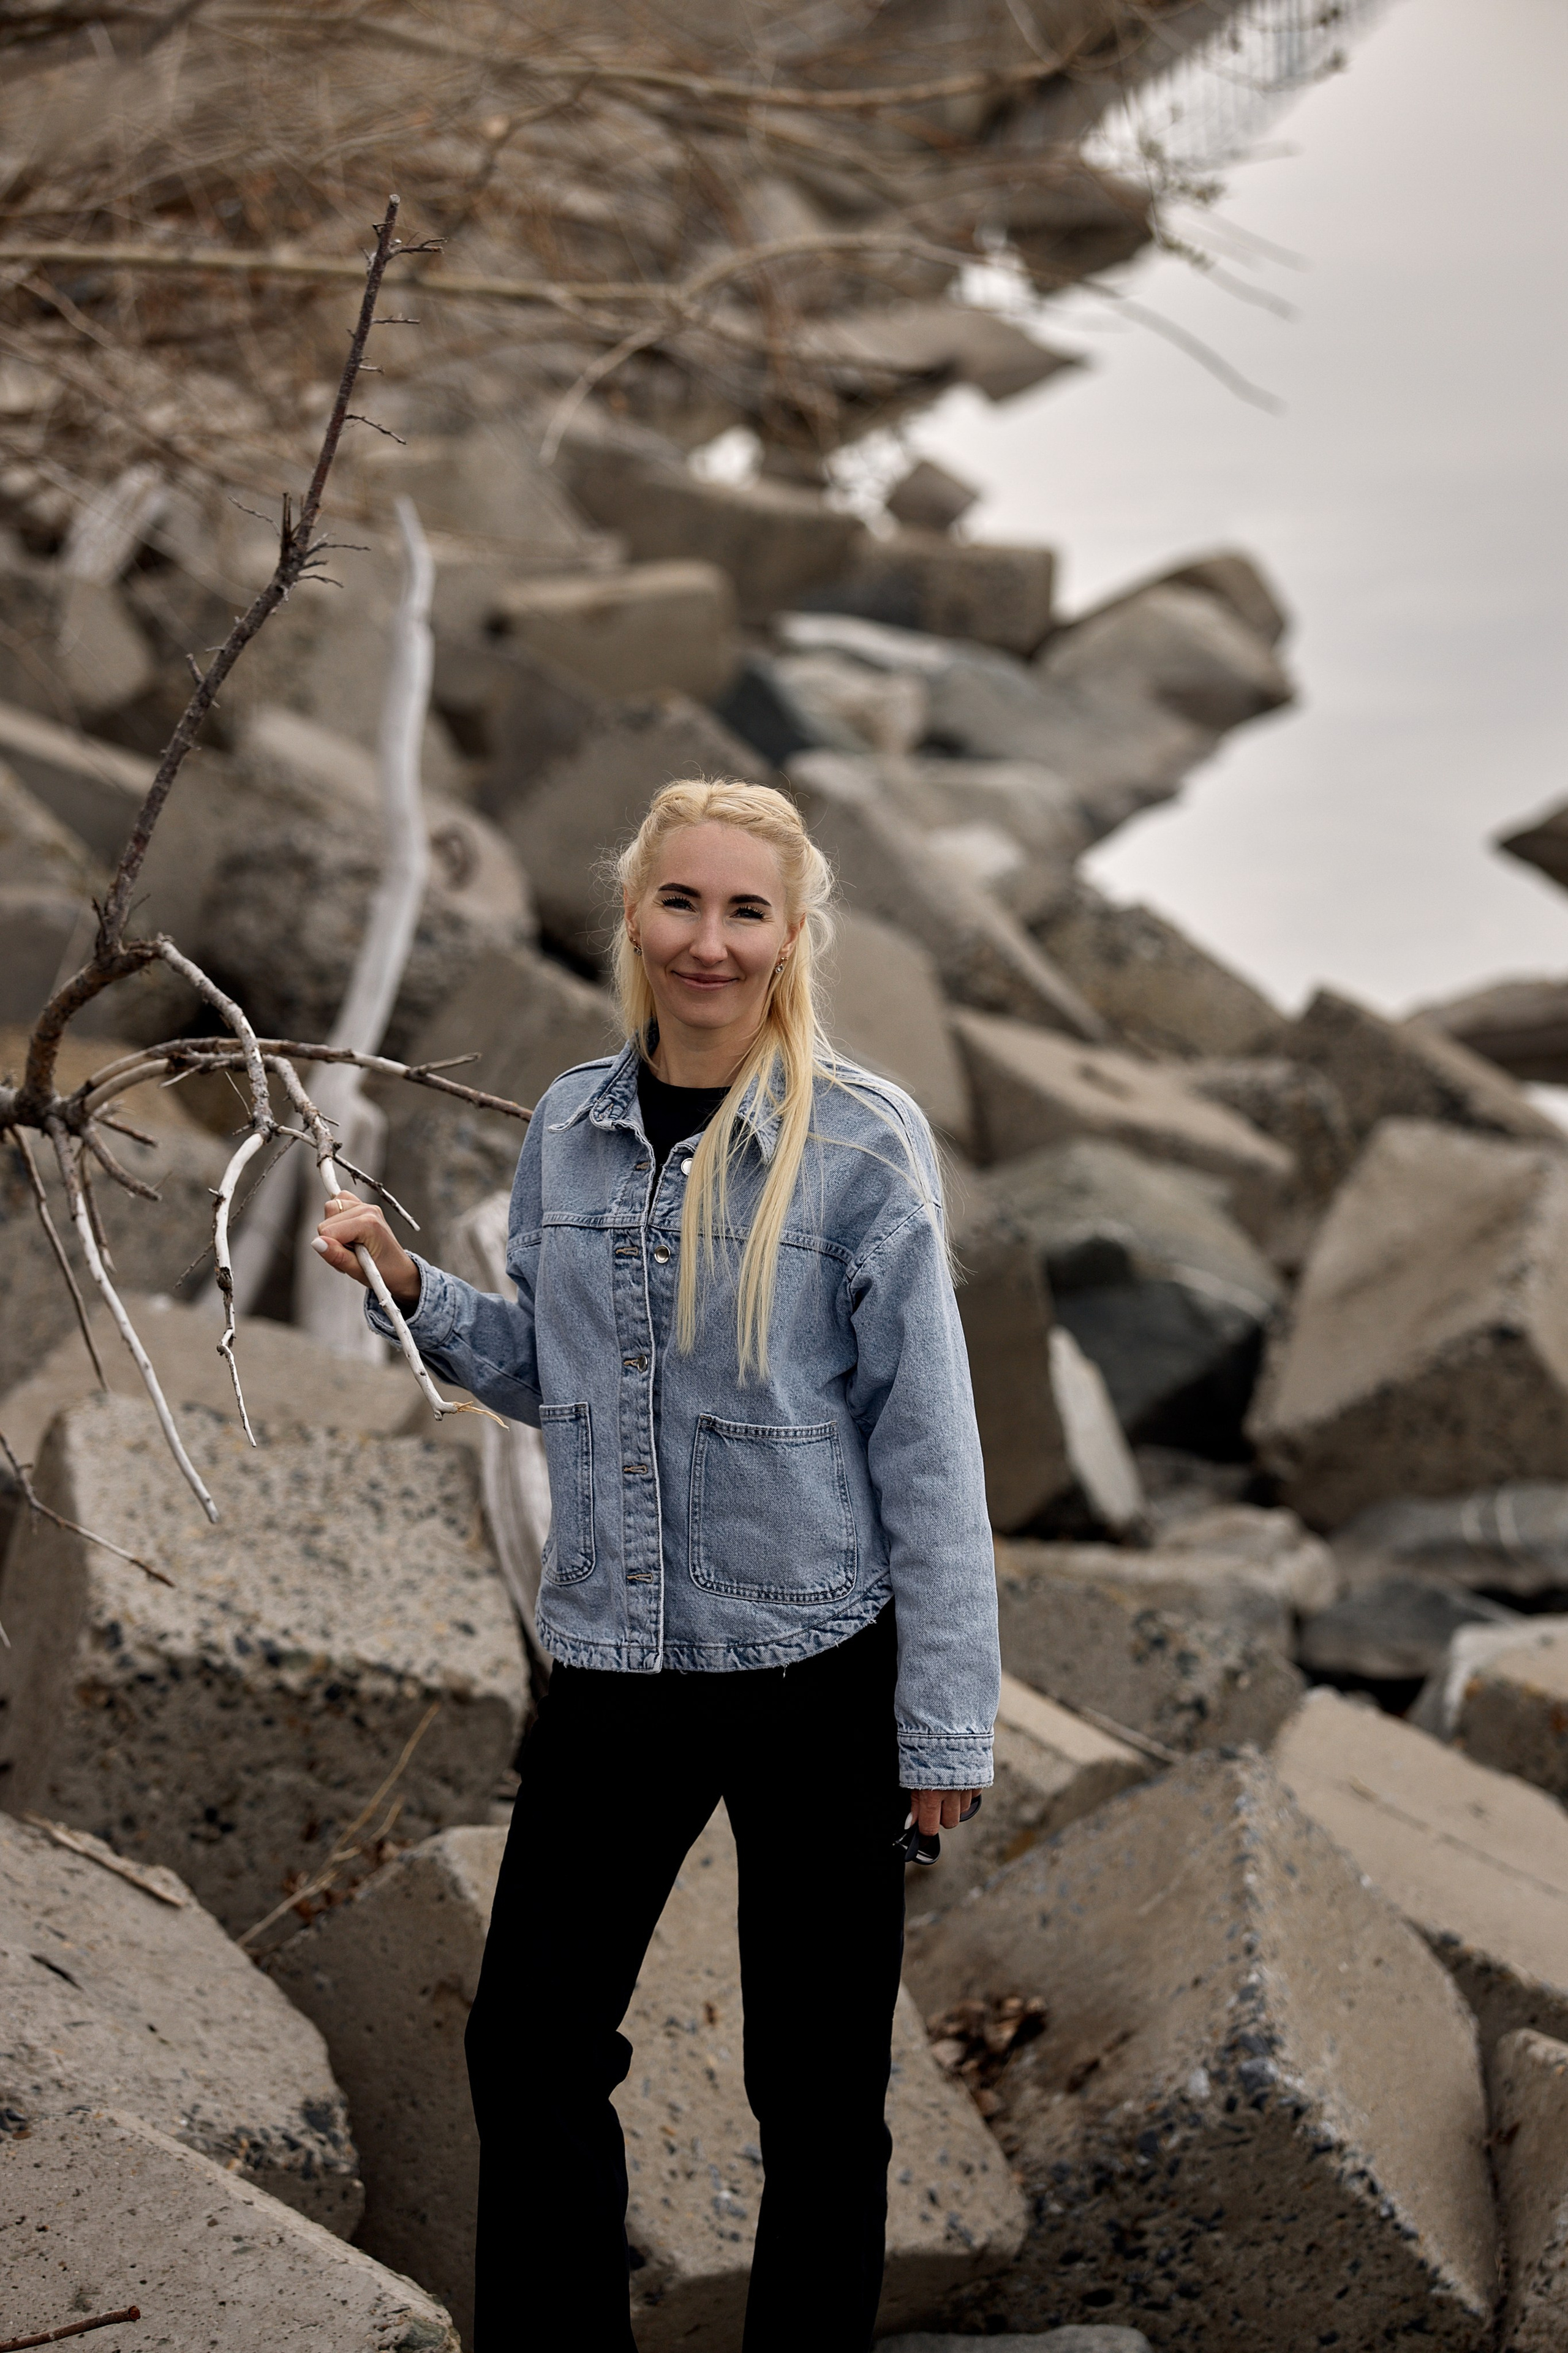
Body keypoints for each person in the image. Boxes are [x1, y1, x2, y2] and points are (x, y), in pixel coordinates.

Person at [312, 777, 1000, 2353]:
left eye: (744, 908)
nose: (708, 940)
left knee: (818, 2095)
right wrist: (414, 1286)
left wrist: (943, 1723)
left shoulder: (859, 1144)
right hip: (617, 1667)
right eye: (679, 903)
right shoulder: (567, 1122)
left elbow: (930, 1450)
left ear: (790, 932)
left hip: (821, 1671)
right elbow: (550, 1367)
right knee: (529, 2045)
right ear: (632, 915)